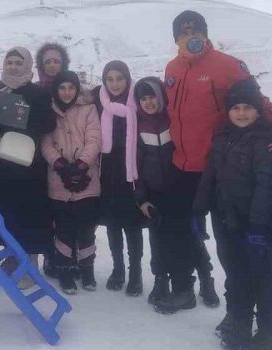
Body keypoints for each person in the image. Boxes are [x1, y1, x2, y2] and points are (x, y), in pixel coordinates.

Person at [161, 10, 272, 315]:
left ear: (205, 32)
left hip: (218, 167)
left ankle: (236, 304)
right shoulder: (172, 68)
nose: (189, 36)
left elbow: (259, 101)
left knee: (226, 241)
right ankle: (183, 289)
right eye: (183, 31)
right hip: (181, 164)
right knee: (176, 230)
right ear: (175, 37)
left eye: (195, 30)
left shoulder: (227, 66)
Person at [193, 78, 272, 350]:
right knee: (234, 272)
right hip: (226, 219)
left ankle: (268, 332)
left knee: (263, 277)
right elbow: (210, 177)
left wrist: (259, 225)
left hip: (258, 225)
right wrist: (199, 209)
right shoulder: (223, 137)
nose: (241, 113)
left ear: (258, 110)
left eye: (247, 107)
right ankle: (239, 320)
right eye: (235, 108)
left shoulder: (268, 140)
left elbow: (267, 185)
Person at [0, 47, 56, 288]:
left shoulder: (37, 93)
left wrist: (25, 112)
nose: (13, 66)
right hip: (1, 163)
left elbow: (48, 123)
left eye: (18, 62)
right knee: (5, 213)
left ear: (27, 66)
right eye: (10, 62)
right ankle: (11, 259)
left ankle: (29, 266)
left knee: (27, 213)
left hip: (27, 165)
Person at [42, 70, 101, 294]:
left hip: (87, 179)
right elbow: (45, 142)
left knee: (86, 228)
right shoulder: (50, 111)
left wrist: (83, 164)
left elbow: (94, 138)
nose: (67, 93)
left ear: (77, 89)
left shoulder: (88, 108)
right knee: (63, 228)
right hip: (58, 179)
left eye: (71, 88)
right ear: (56, 90)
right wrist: (58, 163)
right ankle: (64, 270)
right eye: (62, 88)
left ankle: (87, 269)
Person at [92, 60, 144, 294]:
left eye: (119, 78)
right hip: (108, 172)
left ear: (128, 78)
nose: (114, 84)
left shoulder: (139, 101)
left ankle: (135, 273)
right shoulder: (98, 100)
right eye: (109, 79)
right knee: (113, 224)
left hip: (133, 172)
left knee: (132, 226)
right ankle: (118, 269)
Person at [133, 77, 180, 307]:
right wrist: (142, 198)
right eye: (143, 99)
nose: (149, 102)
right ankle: (161, 279)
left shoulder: (173, 120)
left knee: (186, 237)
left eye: (152, 97)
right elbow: (136, 166)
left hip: (177, 191)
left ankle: (202, 277)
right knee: (158, 240)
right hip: (153, 194)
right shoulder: (138, 126)